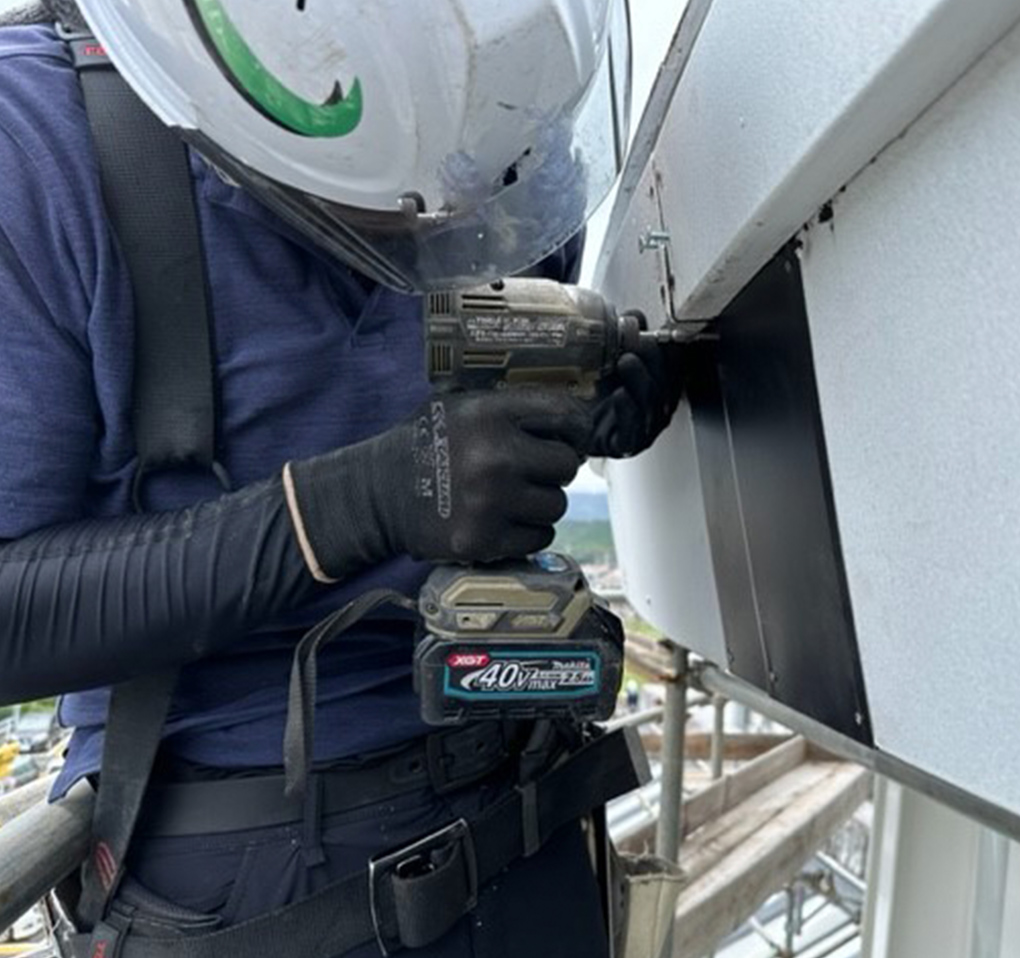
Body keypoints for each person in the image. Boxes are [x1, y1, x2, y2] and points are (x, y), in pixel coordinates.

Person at [0, 1, 680, 955]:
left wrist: (590, 396)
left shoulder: (502, 120)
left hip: (527, 796)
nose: (444, 227)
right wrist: (349, 507)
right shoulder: (37, 143)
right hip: (247, 875)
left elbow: (482, 373)